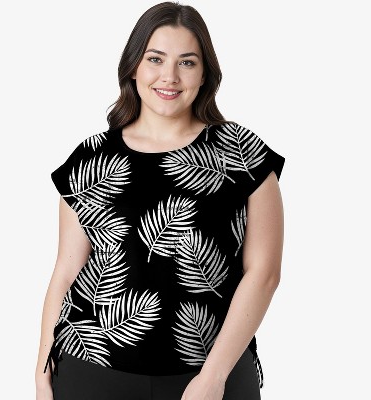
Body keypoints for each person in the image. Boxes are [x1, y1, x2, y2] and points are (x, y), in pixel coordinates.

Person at [35, 2, 285, 399]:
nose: (170, 76)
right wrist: (41, 368)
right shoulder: (90, 158)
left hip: (210, 374)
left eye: (187, 62)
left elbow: (265, 274)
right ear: (134, 66)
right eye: (155, 59)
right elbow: (67, 271)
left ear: (204, 74)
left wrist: (213, 376)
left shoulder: (241, 152)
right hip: (91, 370)